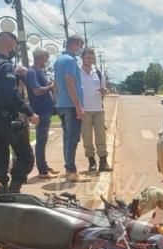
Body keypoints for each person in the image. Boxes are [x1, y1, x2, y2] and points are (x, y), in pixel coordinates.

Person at [0, 32, 39, 194]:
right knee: (26, 158)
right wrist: (29, 112)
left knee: (0, 156)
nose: (15, 50)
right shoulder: (4, 66)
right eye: (15, 46)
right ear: (9, 44)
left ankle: (1, 185)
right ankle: (14, 189)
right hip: (8, 121)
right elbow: (12, 95)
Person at [53, 35, 86, 181]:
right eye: (80, 45)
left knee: (68, 138)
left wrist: (57, 101)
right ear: (73, 44)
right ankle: (71, 171)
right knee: (72, 139)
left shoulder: (59, 60)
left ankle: (69, 168)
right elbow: (70, 83)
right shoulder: (70, 61)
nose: (80, 49)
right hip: (71, 106)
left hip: (61, 104)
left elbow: (55, 84)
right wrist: (78, 106)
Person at [25, 48, 58, 179]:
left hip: (46, 110)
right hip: (41, 111)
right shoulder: (32, 72)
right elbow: (36, 91)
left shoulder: (39, 72)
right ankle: (42, 170)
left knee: (43, 141)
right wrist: (50, 86)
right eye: (45, 58)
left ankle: (44, 165)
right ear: (39, 58)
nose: (46, 61)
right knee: (41, 141)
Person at [80, 48, 111, 173]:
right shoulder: (77, 72)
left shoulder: (98, 73)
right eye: (88, 58)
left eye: (92, 58)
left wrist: (104, 91)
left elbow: (104, 89)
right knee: (87, 137)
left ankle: (103, 162)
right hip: (84, 110)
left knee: (101, 136)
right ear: (82, 58)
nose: (90, 60)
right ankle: (91, 161)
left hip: (98, 109)